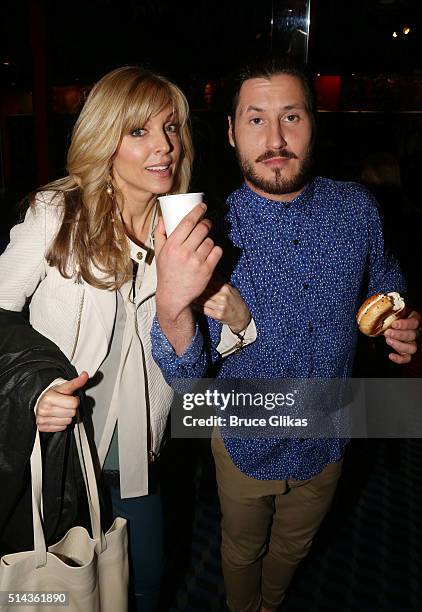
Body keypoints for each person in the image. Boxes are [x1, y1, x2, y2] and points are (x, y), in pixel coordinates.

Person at [150, 56, 421, 612]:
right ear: (230, 132)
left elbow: (386, 278)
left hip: (329, 433)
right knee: (241, 548)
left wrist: (400, 318)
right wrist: (178, 312)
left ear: (313, 123)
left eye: (291, 117)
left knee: (295, 548)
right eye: (255, 120)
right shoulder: (206, 228)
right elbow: (182, 377)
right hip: (247, 438)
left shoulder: (358, 208)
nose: (275, 138)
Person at [0, 66, 253, 611]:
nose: (164, 146)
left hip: (138, 449)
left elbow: (191, 374)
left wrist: (236, 323)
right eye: (138, 131)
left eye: (171, 128)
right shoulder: (57, 214)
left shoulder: (185, 231)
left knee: (144, 583)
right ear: (105, 139)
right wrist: (34, 389)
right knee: (58, 590)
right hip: (60, 449)